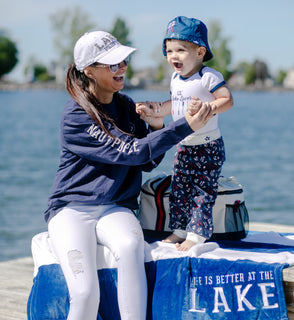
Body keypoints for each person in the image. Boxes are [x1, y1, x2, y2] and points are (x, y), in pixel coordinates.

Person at [44, 30, 214, 320]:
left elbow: (146, 161)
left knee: (131, 247)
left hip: (116, 207)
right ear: (89, 71)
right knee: (85, 293)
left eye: (123, 60)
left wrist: (159, 126)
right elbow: (131, 152)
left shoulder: (125, 106)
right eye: (112, 64)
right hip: (71, 210)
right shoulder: (76, 115)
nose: (122, 67)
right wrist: (184, 126)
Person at [136, 16, 234, 251]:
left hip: (208, 146)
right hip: (184, 145)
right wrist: (157, 110)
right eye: (169, 51)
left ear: (200, 52)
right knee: (179, 188)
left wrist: (209, 107)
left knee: (202, 190)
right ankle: (179, 229)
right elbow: (175, 103)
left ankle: (197, 234)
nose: (173, 56)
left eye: (180, 50)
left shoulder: (208, 76)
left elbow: (227, 100)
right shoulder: (175, 79)